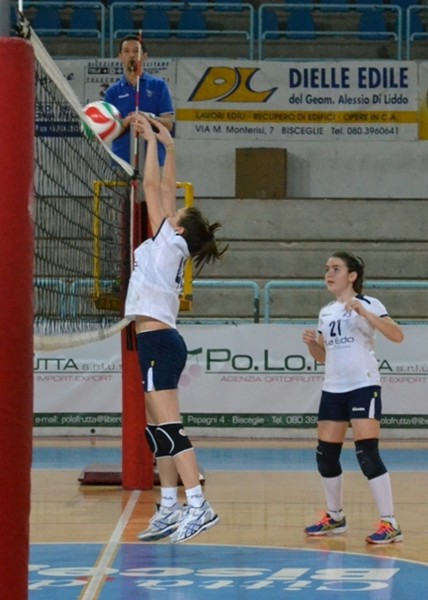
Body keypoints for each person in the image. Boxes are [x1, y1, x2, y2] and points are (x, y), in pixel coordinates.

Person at [125, 113, 226, 544]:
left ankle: (198, 504)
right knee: (156, 429)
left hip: (160, 341)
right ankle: (169, 506)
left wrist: (152, 142)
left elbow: (154, 188)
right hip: (155, 340)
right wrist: (167, 145)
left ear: (179, 226)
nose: (171, 205)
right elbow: (164, 190)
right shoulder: (166, 243)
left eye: (175, 212)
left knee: (169, 426)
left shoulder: (170, 243)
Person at [302, 251, 404, 545]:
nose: (329, 274)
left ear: (352, 276)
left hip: (363, 385)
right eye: (327, 269)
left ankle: (390, 523)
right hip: (333, 388)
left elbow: (397, 335)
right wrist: (312, 345)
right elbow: (323, 357)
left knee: (367, 453)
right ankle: (335, 517)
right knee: (325, 454)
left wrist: (365, 314)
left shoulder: (369, 303)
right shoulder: (326, 312)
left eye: (336, 268)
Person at [104, 35, 174, 167]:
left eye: (136, 51)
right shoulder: (112, 92)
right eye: (126, 51)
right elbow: (109, 131)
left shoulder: (159, 86)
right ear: (120, 57)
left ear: (145, 56)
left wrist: (149, 118)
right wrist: (126, 122)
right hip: (121, 164)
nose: (131, 55)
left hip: (153, 163)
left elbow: (169, 124)